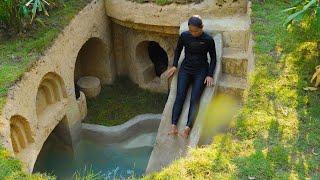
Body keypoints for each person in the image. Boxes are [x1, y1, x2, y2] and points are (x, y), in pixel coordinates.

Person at [167, 15, 217, 138]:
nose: (193, 33)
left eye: (196, 31)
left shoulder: (208, 39)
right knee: (180, 96)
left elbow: (214, 58)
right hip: (186, 68)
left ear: (202, 28)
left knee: (194, 99)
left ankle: (188, 128)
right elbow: (178, 50)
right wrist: (174, 65)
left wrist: (210, 74)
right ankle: (173, 126)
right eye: (191, 30)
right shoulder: (184, 36)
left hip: (201, 70)